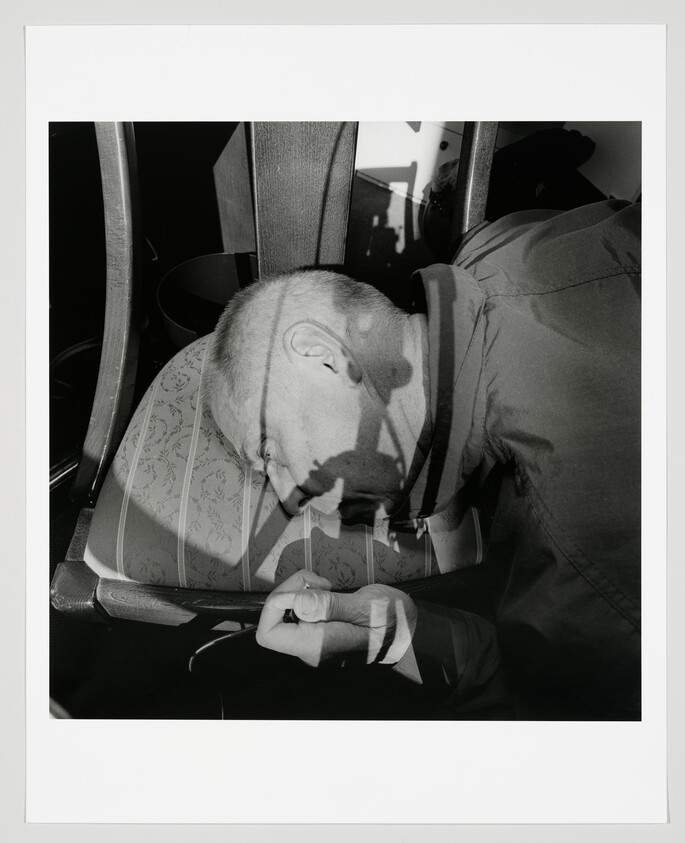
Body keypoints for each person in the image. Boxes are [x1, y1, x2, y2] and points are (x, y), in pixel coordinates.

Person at [209, 198, 641, 720]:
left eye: (269, 453)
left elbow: (564, 740)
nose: (287, 500)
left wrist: (399, 640)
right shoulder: (497, 244)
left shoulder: (578, 560)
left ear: (325, 356)